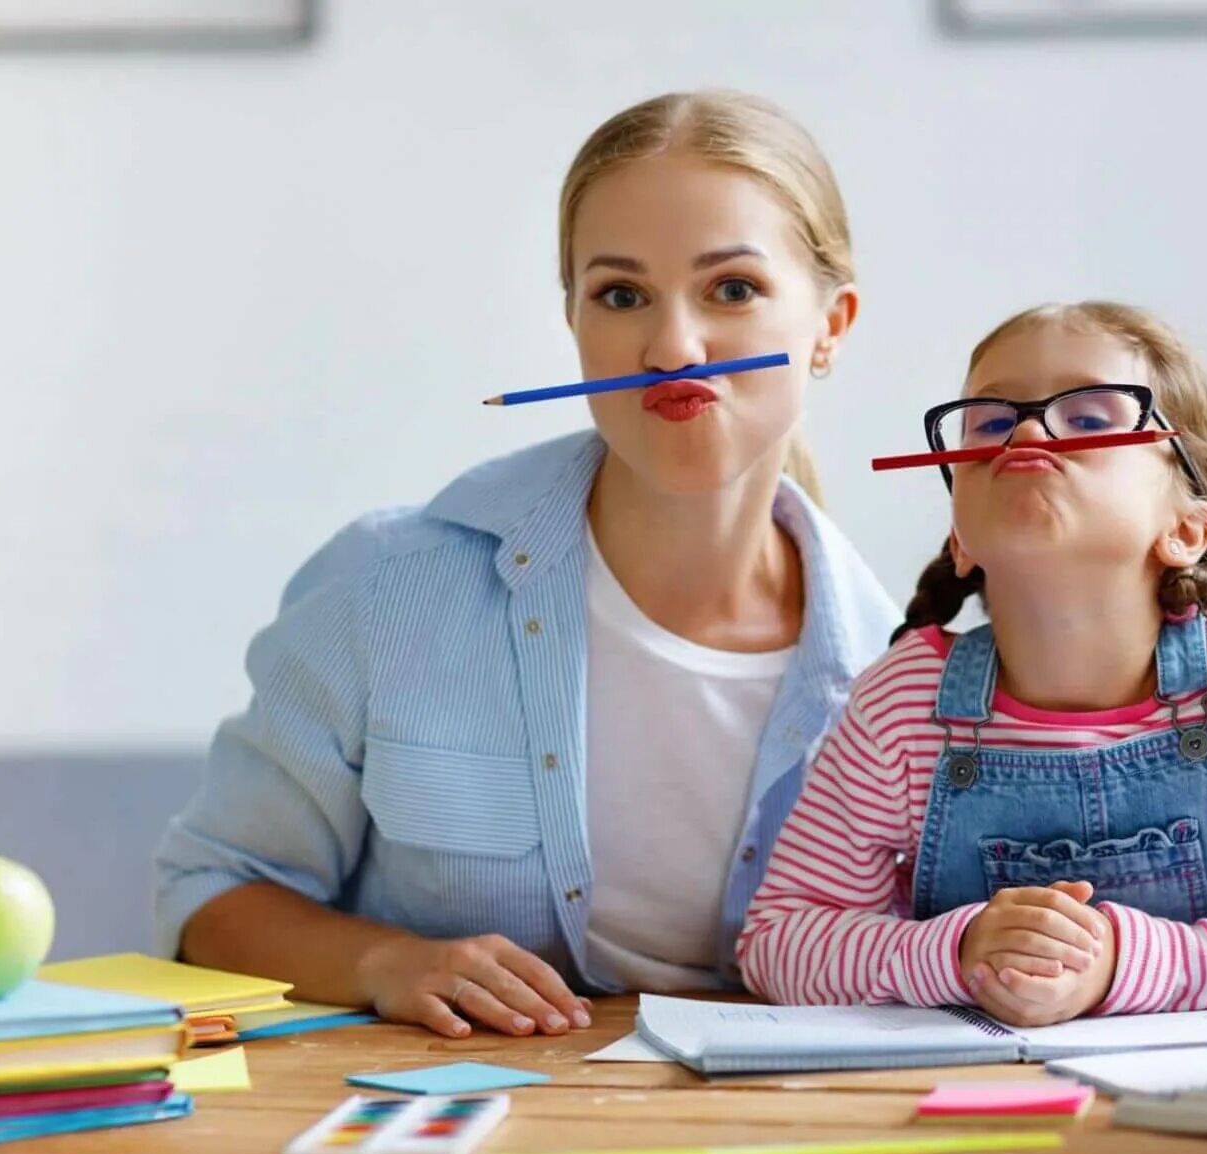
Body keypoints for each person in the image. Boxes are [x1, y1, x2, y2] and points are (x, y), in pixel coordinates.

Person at [154, 90, 898, 1039]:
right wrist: (383, 962)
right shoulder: (388, 587)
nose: (672, 347)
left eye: (733, 289)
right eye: (621, 295)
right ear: (575, 322)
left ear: (832, 324)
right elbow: (209, 893)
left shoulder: (898, 679)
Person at [738, 301, 1207, 1026]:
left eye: (1092, 417)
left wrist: (1122, 963)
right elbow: (777, 939)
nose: (1031, 431)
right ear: (960, 541)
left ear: (1187, 529)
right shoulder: (903, 702)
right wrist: (957, 952)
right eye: (990, 422)